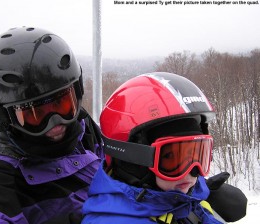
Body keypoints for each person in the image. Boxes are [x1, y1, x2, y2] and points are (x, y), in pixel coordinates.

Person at [0, 27, 103, 224]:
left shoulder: (82, 125)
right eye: (34, 114)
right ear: (5, 114)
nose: (55, 122)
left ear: (77, 92)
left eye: (62, 104)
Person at [82, 72, 247, 224]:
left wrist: (204, 200)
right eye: (172, 157)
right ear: (132, 161)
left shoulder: (180, 203)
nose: (191, 171)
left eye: (198, 155)